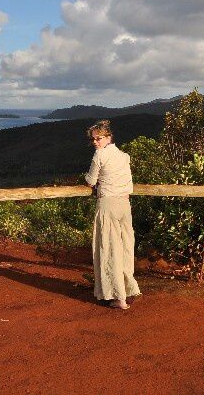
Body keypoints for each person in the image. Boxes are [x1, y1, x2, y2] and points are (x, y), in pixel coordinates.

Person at [84, 120, 141, 310]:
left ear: (108, 137)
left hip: (108, 204)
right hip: (125, 204)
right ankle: (128, 289)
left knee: (109, 249)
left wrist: (89, 179)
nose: (95, 142)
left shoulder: (100, 154)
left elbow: (91, 180)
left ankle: (118, 297)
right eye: (93, 139)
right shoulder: (124, 156)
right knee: (125, 248)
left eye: (98, 138)